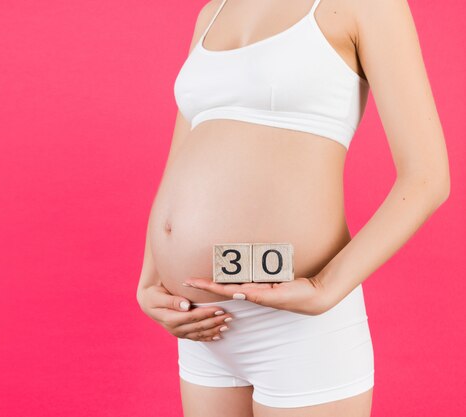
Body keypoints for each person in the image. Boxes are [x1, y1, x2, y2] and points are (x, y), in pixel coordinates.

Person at [136, 0, 450, 416]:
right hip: (203, 325)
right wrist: (150, 281)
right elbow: (178, 163)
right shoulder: (213, 12)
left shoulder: (366, 5)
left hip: (298, 327)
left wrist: (327, 288)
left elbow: (427, 178)